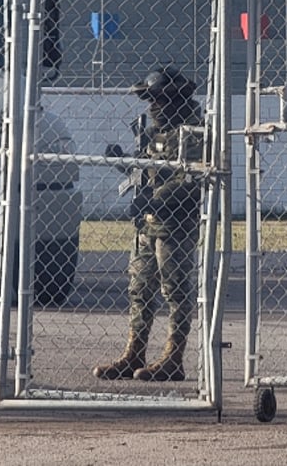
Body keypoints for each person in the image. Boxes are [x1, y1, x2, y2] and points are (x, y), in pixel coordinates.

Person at [93, 67, 204, 381]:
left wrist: (157, 199)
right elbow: (147, 170)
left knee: (175, 293)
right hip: (148, 224)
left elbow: (191, 176)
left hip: (175, 226)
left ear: (176, 100)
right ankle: (134, 354)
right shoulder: (154, 130)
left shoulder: (191, 131)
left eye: (159, 100)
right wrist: (124, 163)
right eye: (151, 100)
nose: (153, 107)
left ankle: (173, 359)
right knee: (139, 290)